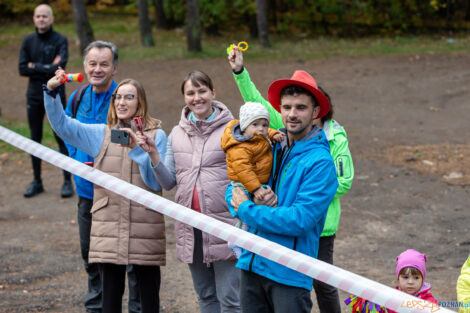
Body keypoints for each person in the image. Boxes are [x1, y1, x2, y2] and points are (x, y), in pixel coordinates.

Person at [228, 47, 354, 313]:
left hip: (289, 271)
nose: (292, 114)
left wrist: (246, 210)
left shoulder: (322, 163)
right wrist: (236, 199)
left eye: (300, 107)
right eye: (286, 107)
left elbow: (299, 220)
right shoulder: (271, 144)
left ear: (316, 111)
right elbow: (235, 182)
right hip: (251, 262)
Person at [44, 71, 166, 313]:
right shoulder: (100, 134)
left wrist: (138, 149)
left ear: (140, 102)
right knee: (109, 301)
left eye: (129, 97)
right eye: (118, 97)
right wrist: (51, 92)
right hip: (108, 227)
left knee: (148, 300)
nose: (121, 102)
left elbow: (156, 181)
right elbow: (63, 126)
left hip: (145, 228)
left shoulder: (157, 136)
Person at [138, 70, 241, 313]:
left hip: (225, 225)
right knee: (205, 296)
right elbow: (168, 182)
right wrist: (153, 155)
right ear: (184, 97)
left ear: (213, 93)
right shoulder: (177, 133)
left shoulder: (233, 129)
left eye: (202, 91)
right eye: (190, 93)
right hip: (190, 228)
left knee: (230, 299)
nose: (197, 98)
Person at [63, 40, 141, 313]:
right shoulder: (77, 97)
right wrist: (77, 158)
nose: (97, 69)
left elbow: (134, 139)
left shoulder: (125, 98)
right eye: (92, 63)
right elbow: (66, 130)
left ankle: (137, 307)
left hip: (118, 192)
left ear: (114, 67)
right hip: (86, 192)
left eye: (104, 64)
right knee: (90, 254)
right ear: (85, 66)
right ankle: (96, 307)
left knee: (128, 257)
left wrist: (102, 158)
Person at [18, 3, 73, 198]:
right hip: (34, 95)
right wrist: (48, 66)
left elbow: (60, 68)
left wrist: (36, 66)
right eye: (38, 16)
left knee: (61, 136)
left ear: (51, 19)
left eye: (45, 16)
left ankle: (67, 181)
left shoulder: (60, 40)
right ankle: (37, 181)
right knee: (35, 137)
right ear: (34, 18)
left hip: (56, 95)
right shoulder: (28, 40)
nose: (41, 19)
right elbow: (22, 68)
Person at [220, 101, 284, 257]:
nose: (261, 129)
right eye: (255, 124)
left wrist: (273, 133)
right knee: (247, 213)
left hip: (255, 183)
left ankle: (247, 240)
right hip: (242, 185)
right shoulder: (240, 146)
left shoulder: (256, 136)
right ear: (244, 126)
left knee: (256, 213)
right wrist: (255, 189)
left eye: (264, 124)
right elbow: (244, 170)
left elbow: (264, 132)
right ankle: (235, 240)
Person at [345, 249, 438, 313]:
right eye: (405, 277)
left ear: (423, 279)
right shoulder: (391, 297)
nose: (410, 282)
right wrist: (371, 304)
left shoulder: (428, 301)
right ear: (398, 278)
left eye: (416, 278)